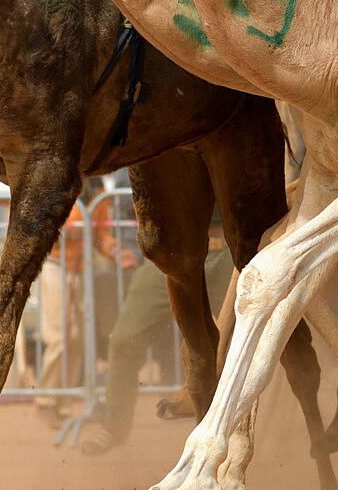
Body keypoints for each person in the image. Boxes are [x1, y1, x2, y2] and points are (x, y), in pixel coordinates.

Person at [80, 229, 235, 455]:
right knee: (124, 339)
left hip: (228, 254)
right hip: (171, 252)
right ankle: (114, 426)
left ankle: (235, 433)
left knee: (241, 342)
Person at [33, 177, 118, 423]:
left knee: (77, 336)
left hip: (80, 266)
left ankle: (64, 400)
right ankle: (47, 399)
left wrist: (113, 250)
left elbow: (101, 233)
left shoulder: (98, 188)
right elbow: (40, 224)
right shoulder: (54, 177)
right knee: (61, 335)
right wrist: (68, 231)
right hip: (54, 263)